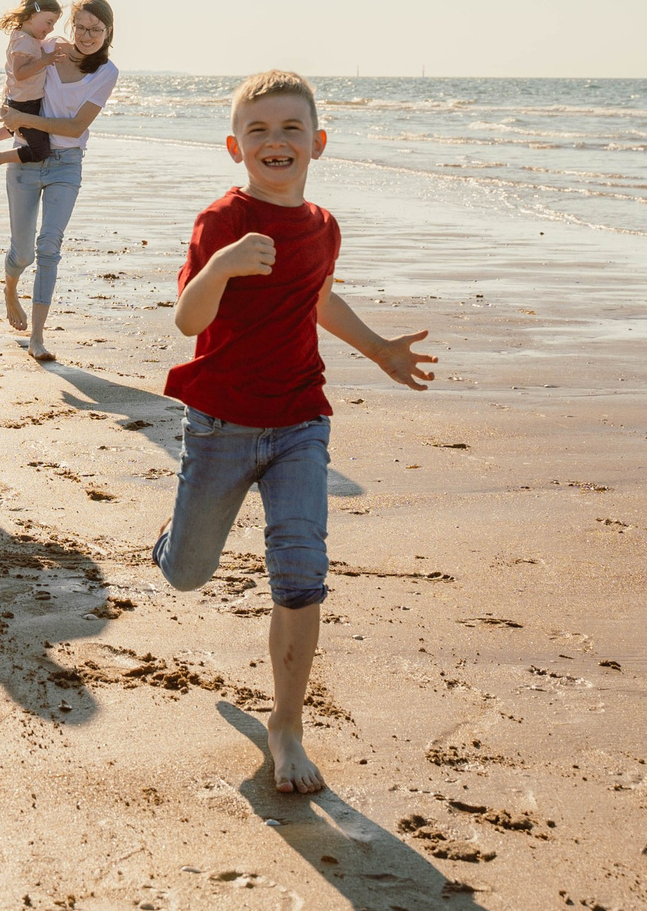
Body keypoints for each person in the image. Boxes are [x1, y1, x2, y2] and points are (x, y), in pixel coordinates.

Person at [153, 70, 438, 796]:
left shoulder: (323, 225)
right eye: (259, 130)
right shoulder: (221, 222)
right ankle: (173, 536)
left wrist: (379, 350)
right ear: (234, 146)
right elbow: (187, 322)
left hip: (299, 423)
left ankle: (286, 724)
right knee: (187, 572)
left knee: (300, 574)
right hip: (218, 423)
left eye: (289, 129)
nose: (275, 141)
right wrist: (220, 264)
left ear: (318, 140)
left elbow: (317, 297)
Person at [0, 0, 120, 361]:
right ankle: (9, 288)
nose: (87, 35)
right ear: (71, 26)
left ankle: (37, 338)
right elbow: (17, 86)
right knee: (22, 253)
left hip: (66, 163)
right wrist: (8, 114)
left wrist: (24, 120)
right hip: (27, 158)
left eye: (95, 29)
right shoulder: (50, 49)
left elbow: (75, 126)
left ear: (108, 31)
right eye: (80, 26)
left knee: (49, 246)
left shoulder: (107, 72)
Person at [0, 0, 64, 179]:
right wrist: (44, 61)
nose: (51, 28)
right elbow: (20, 73)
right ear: (31, 15)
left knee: (15, 126)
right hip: (25, 102)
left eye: (53, 24)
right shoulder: (24, 41)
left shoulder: (24, 37)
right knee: (40, 151)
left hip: (20, 99)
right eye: (48, 22)